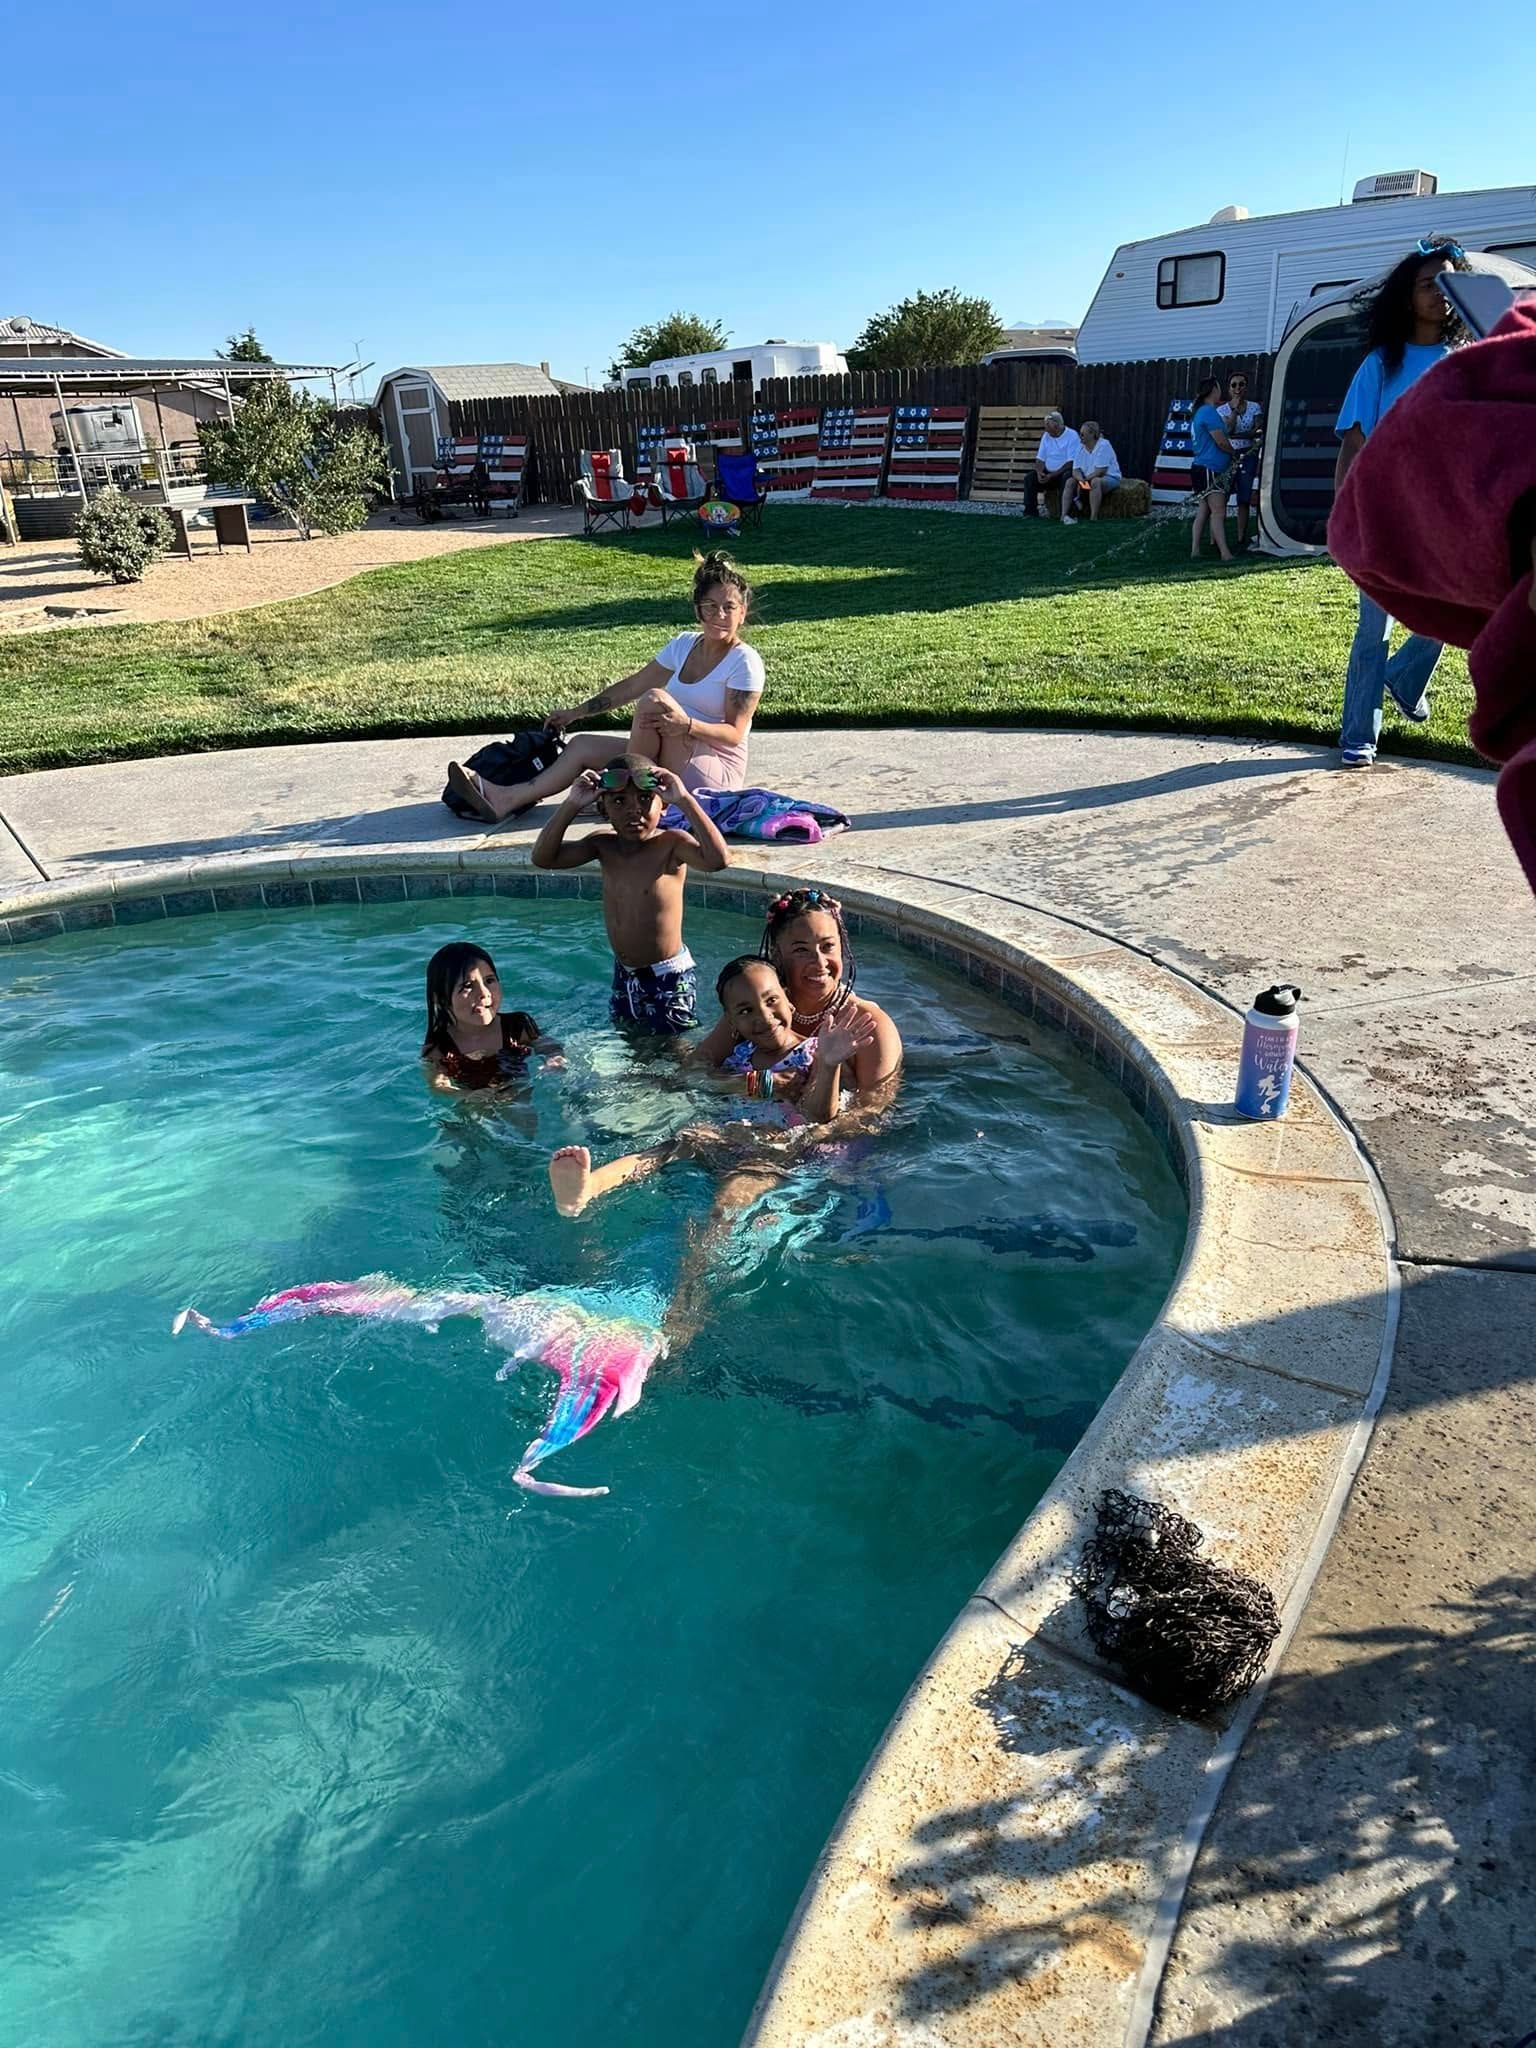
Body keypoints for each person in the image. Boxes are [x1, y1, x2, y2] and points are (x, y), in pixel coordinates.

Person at [445, 553, 764, 822]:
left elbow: (734, 734)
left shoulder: (744, 662)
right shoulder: (683, 645)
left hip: (714, 773)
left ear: (742, 612)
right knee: (582, 744)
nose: (719, 615)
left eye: (729, 607)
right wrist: (576, 713)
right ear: (698, 610)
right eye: (710, 606)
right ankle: (507, 799)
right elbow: (633, 686)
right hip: (669, 752)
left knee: (655, 700)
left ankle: (634, 801)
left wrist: (687, 725)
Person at [545, 957, 874, 1217]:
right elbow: (695, 1081)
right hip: (731, 1140)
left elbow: (819, 1117)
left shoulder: (816, 1051)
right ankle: (587, 1190)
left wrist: (829, 1065)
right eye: (746, 1011)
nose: (763, 1016)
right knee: (671, 1145)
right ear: (731, 1021)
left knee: (725, 1204)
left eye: (771, 1000)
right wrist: (756, 1084)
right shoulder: (740, 1055)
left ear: (788, 999)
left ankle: (688, 1297)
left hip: (780, 1154)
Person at [1333, 240, 1471, 768]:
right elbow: (1353, 446)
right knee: (1375, 628)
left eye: (1450, 283)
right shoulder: (1379, 365)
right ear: (1406, 295)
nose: (1441, 294)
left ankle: (1406, 678)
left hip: (1445, 518)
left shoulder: (1463, 362)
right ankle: (1358, 738)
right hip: (1385, 515)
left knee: (1456, 608)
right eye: (1429, 283)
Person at [530, 755, 729, 1034]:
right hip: (625, 973)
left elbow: (718, 860)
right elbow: (543, 858)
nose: (633, 810)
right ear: (603, 807)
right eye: (619, 801)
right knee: (629, 1039)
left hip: (669, 976)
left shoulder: (671, 845)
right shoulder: (602, 845)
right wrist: (572, 803)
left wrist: (685, 799)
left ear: (664, 805)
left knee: (675, 1047)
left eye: (645, 799)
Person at [691, 887, 903, 1109]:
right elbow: (692, 1073)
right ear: (776, 954)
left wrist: (779, 1141)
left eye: (828, 947)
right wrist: (759, 1083)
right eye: (802, 950)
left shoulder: (869, 1024)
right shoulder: (758, 1009)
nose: (820, 962)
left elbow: (871, 1115)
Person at [421, 942, 563, 1091]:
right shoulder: (439, 1047)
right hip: (476, 1103)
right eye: (468, 986)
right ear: (441, 999)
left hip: (519, 1090)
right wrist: (467, 1098)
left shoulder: (517, 1026)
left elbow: (549, 1047)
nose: (484, 993)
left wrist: (554, 1059)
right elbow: (438, 1085)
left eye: (489, 980)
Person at [1188, 377, 1236, 563]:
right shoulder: (1208, 412)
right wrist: (1234, 453)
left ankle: (1195, 550)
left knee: (1204, 510)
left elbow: (1226, 429)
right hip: (1211, 468)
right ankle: (1225, 553)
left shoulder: (1202, 412)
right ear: (1213, 390)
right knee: (1218, 511)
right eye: (1219, 387)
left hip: (1200, 466)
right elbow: (1221, 441)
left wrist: (1233, 412)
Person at [1217, 373, 1263, 549]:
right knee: (1223, 495)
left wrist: (1239, 433)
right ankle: (1217, 537)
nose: (1238, 389)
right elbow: (1227, 430)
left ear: (1246, 387)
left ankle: (1240, 536)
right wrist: (1234, 411)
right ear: (1229, 389)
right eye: (1234, 385)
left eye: (1241, 384)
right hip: (1228, 454)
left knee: (1244, 496)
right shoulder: (1221, 410)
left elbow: (1255, 430)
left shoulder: (1254, 407)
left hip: (1248, 452)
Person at [1025, 412, 1083, 519]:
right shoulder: (1046, 436)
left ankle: (1065, 513)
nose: (1045, 427)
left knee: (1067, 478)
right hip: (1048, 473)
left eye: (1047, 424)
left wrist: (1052, 475)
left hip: (1063, 473)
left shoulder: (1072, 435)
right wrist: (1039, 472)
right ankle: (1030, 513)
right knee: (1029, 478)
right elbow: (1040, 459)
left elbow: (1071, 462)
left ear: (1056, 425)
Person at [1066, 421, 1122, 524]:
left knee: (1095, 481)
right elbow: (1075, 470)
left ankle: (1093, 517)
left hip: (1109, 477)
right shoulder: (1080, 447)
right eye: (1080, 433)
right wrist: (1080, 480)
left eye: (1083, 434)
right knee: (1070, 481)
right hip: (1087, 478)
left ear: (1092, 434)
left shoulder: (1104, 445)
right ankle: (1064, 515)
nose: (1080, 436)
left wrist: (1084, 481)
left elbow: (1100, 471)